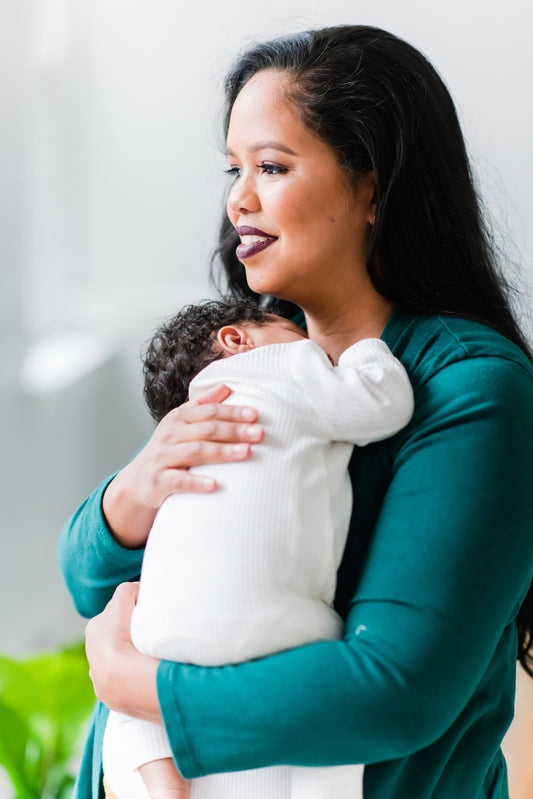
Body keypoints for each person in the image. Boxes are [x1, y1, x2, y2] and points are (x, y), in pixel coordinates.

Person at [58, 24, 533, 799]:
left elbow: (391, 687)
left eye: (271, 167)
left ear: (372, 186)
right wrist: (131, 492)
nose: (237, 198)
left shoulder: (471, 390)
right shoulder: (245, 359)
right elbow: (88, 574)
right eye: (233, 169)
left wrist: (130, 679)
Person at [103, 296, 413, 799]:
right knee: (329, 723)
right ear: (236, 340)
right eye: (283, 326)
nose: (308, 342)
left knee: (128, 699)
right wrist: (363, 352)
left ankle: (163, 787)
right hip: (272, 628)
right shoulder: (280, 365)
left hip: (159, 628)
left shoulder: (190, 422)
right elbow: (381, 404)